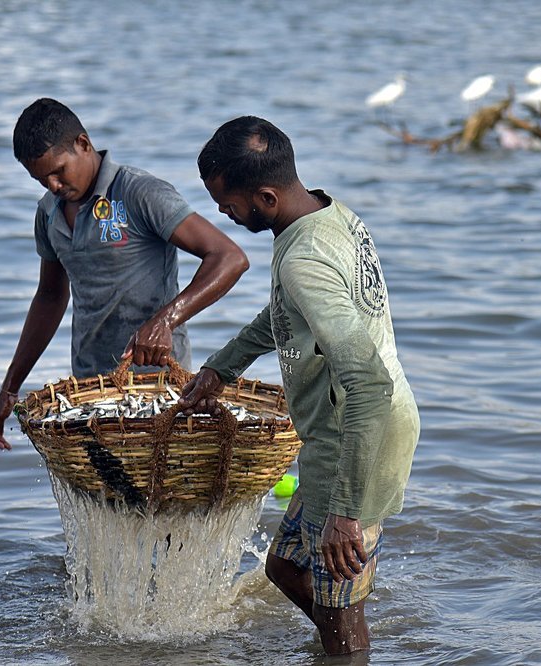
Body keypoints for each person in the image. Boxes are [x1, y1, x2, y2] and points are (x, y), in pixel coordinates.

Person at [178, 116, 419, 656]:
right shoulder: (325, 215)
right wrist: (223, 367)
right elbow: (288, 313)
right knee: (285, 567)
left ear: (265, 195)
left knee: (340, 612)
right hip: (339, 439)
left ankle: (346, 646)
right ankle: (339, 644)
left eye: (228, 203)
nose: (222, 213)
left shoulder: (304, 259)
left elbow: (368, 385)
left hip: (357, 443)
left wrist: (345, 512)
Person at [0, 98, 249, 450]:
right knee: (106, 493)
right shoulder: (48, 213)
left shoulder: (140, 193)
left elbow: (229, 257)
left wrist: (165, 321)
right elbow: (49, 297)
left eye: (59, 171)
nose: (52, 185)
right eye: (40, 178)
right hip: (90, 388)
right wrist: (10, 386)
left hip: (157, 385)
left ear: (83, 144)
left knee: (160, 493)